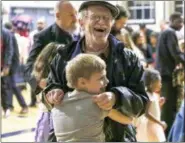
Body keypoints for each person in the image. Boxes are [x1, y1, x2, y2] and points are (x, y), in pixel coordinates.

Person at [43, 1, 149, 142]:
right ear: (81, 21)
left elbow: (141, 103)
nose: (102, 22)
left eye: (107, 18)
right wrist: (52, 94)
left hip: (118, 137)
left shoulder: (127, 58)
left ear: (112, 24)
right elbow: (47, 95)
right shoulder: (63, 57)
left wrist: (117, 97)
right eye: (95, 17)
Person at [52, 53, 133, 142]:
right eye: (101, 78)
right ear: (82, 82)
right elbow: (128, 120)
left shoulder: (58, 104)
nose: (107, 81)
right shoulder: (96, 103)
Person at [25, 0, 79, 106]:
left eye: (76, 14)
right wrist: (39, 82)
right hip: (54, 97)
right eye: (71, 15)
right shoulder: (43, 36)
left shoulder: (78, 35)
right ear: (58, 15)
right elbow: (29, 66)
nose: (76, 19)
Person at [155, 12, 185, 136]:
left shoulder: (166, 33)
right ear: (172, 21)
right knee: (168, 105)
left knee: (169, 104)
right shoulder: (170, 33)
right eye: (179, 22)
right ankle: (167, 134)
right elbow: (176, 53)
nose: (181, 25)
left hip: (165, 73)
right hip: (166, 75)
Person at [134, 69, 166, 142]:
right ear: (152, 83)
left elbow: (153, 110)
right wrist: (160, 123)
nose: (161, 84)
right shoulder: (148, 96)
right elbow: (147, 113)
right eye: (159, 82)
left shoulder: (154, 95)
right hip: (150, 127)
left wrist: (159, 104)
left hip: (154, 125)